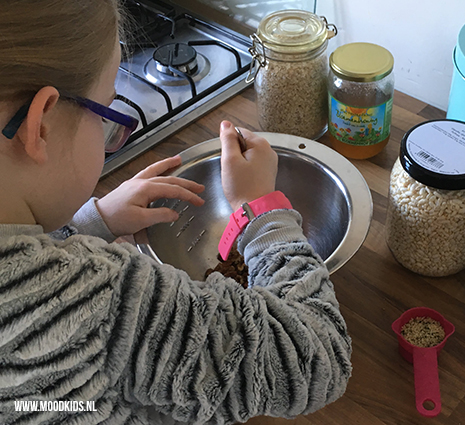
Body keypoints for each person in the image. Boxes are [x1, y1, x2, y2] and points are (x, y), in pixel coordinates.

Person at [0, 1, 352, 424]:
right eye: (108, 113)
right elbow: (315, 359)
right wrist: (260, 209)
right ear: (41, 124)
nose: (110, 131)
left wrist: (88, 227)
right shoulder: (95, 294)